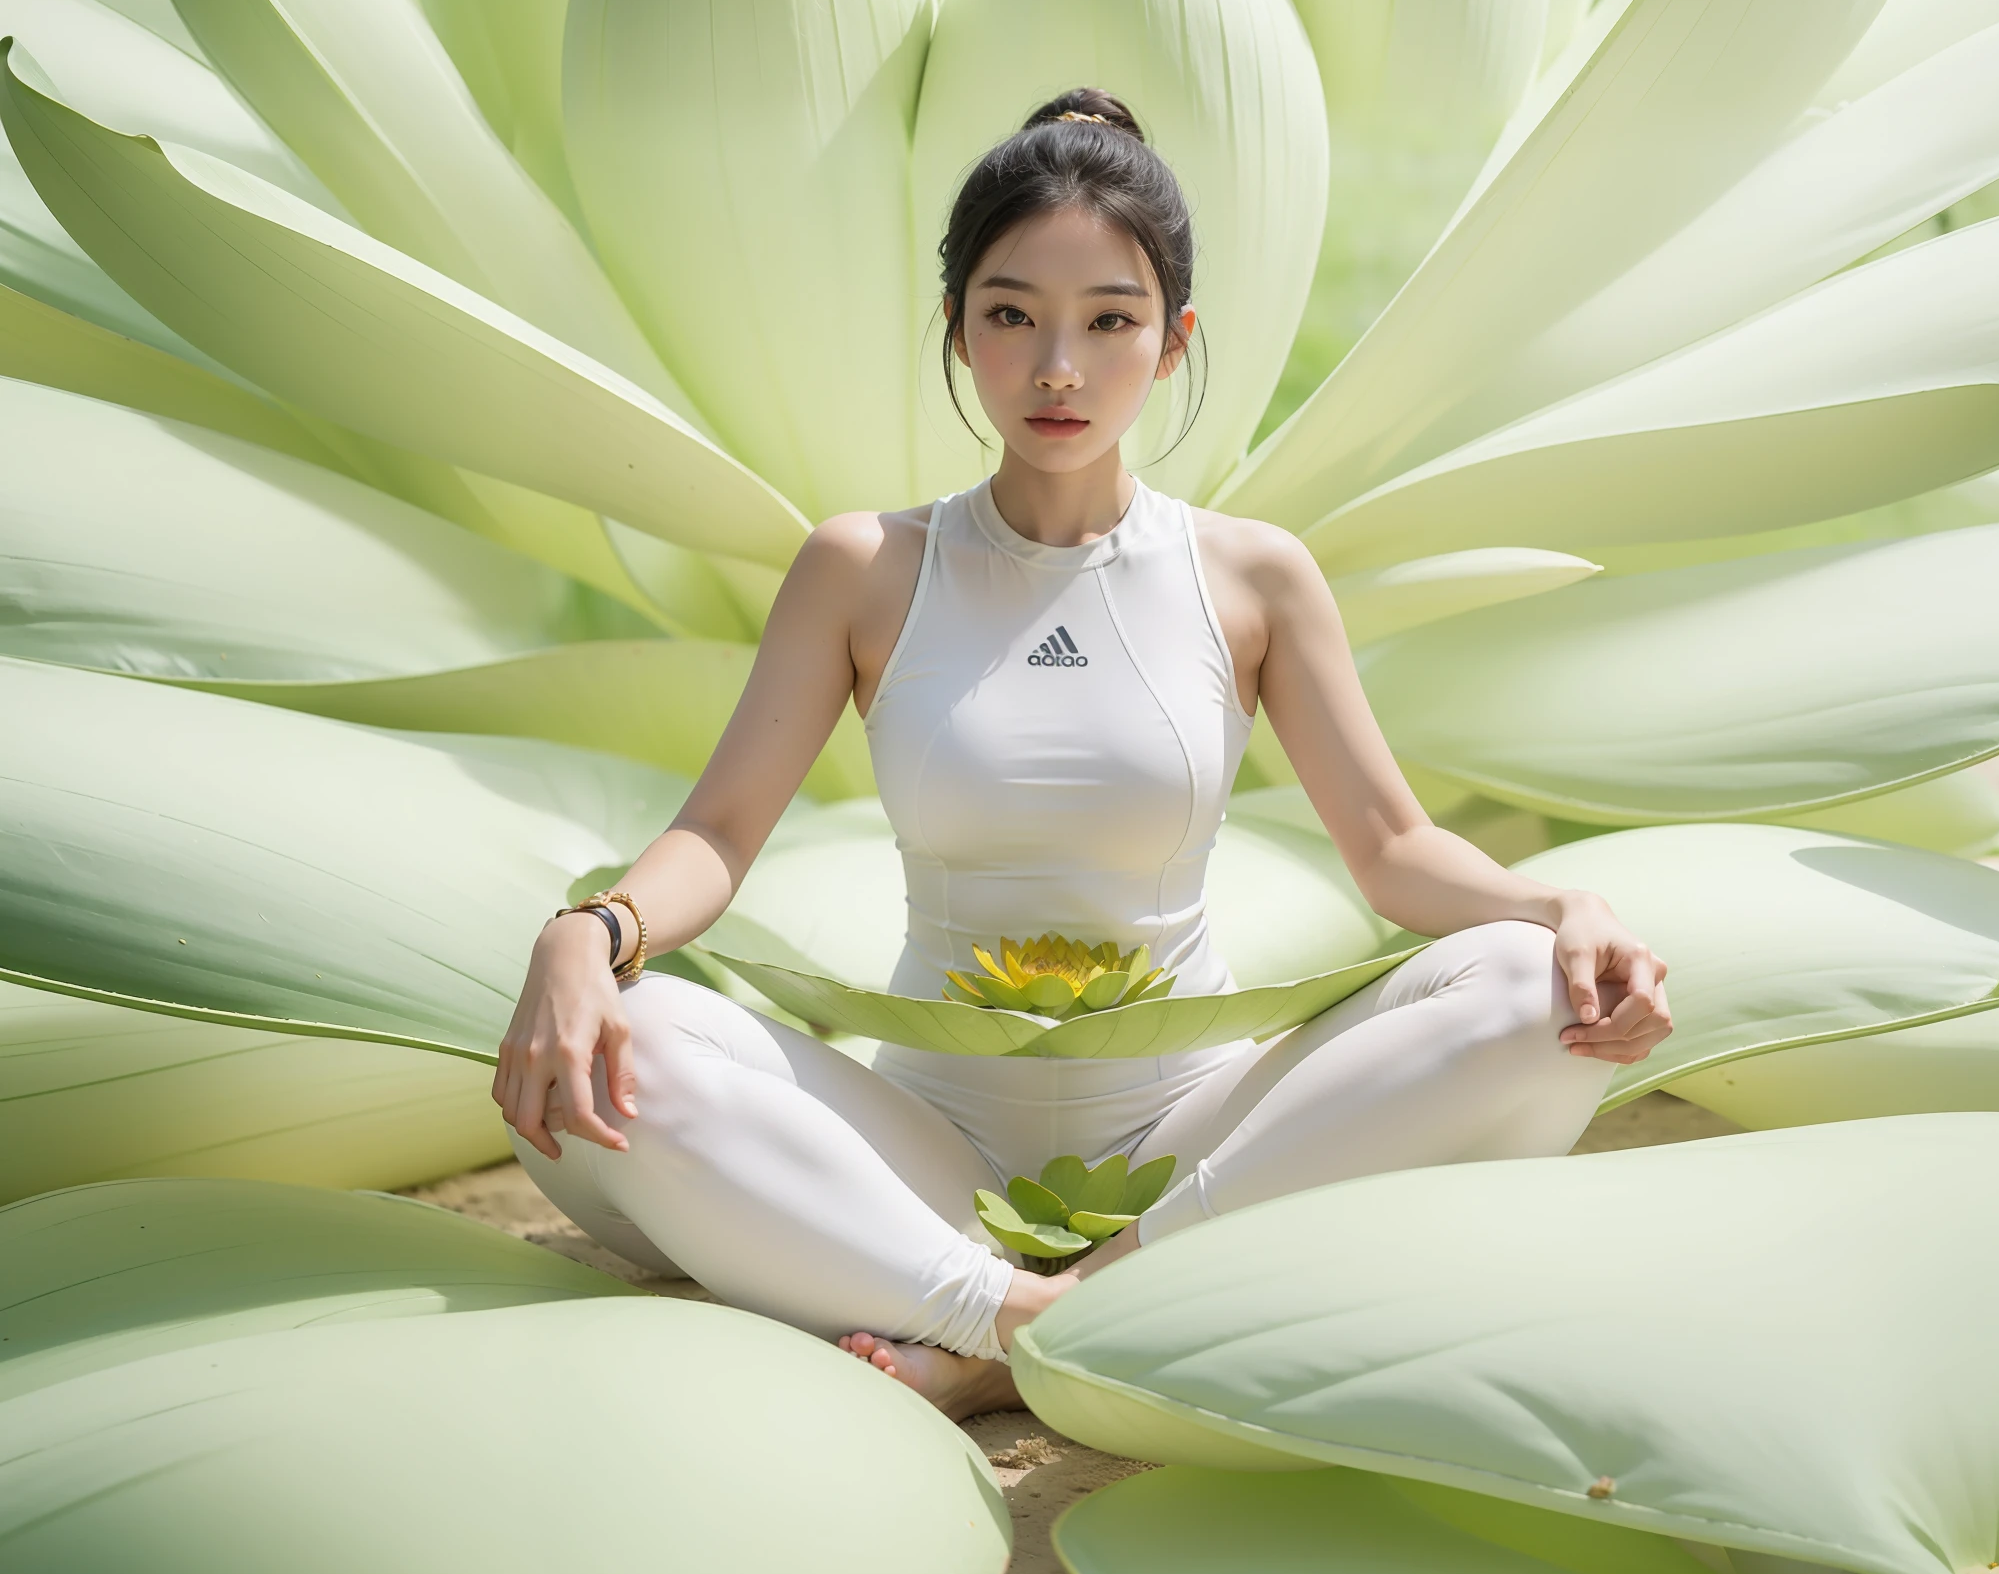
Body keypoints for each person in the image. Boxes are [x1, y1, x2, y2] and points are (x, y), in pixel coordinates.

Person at [494, 89, 1672, 1421]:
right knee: (635, 1032)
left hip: (1205, 1146)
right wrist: (590, 931)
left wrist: (1565, 903)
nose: (1059, 368)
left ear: (1172, 344)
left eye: (1109, 320)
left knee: (1526, 988)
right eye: (1012, 315)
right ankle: (1029, 1310)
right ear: (956, 331)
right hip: (929, 1148)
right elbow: (716, 834)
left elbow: (1397, 852)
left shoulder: (1253, 576)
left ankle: (1023, 1315)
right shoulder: (868, 568)